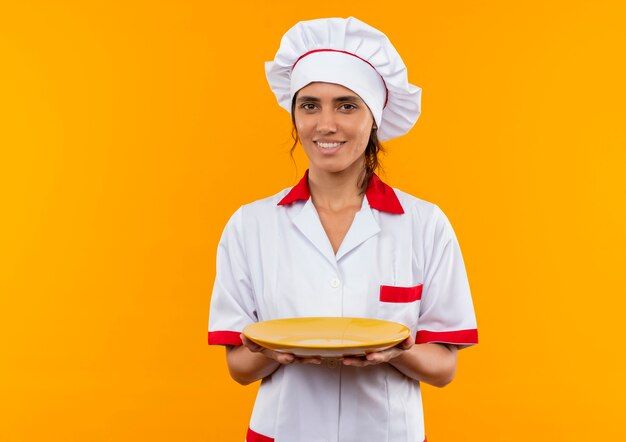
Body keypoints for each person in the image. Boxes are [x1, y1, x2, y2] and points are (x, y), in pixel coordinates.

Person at [208, 17, 478, 442]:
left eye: (347, 105)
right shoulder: (250, 226)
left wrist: (397, 352)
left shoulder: (425, 225)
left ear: (375, 119)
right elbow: (239, 367)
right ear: (294, 114)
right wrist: (275, 354)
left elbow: (444, 368)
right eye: (309, 105)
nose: (325, 124)